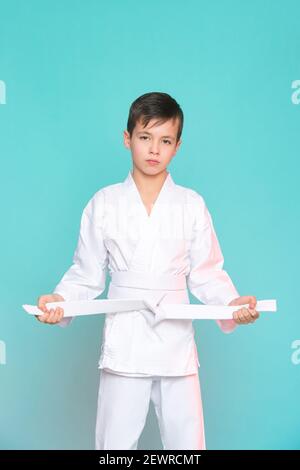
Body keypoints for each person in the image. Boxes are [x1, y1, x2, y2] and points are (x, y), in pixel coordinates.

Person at [36, 92, 259, 450]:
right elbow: (86, 272)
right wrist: (61, 300)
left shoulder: (191, 204)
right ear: (127, 139)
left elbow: (206, 272)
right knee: (115, 446)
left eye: (165, 140)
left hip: (176, 341)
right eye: (145, 137)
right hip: (126, 339)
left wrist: (234, 304)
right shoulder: (104, 202)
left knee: (188, 445)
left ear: (177, 146)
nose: (154, 149)